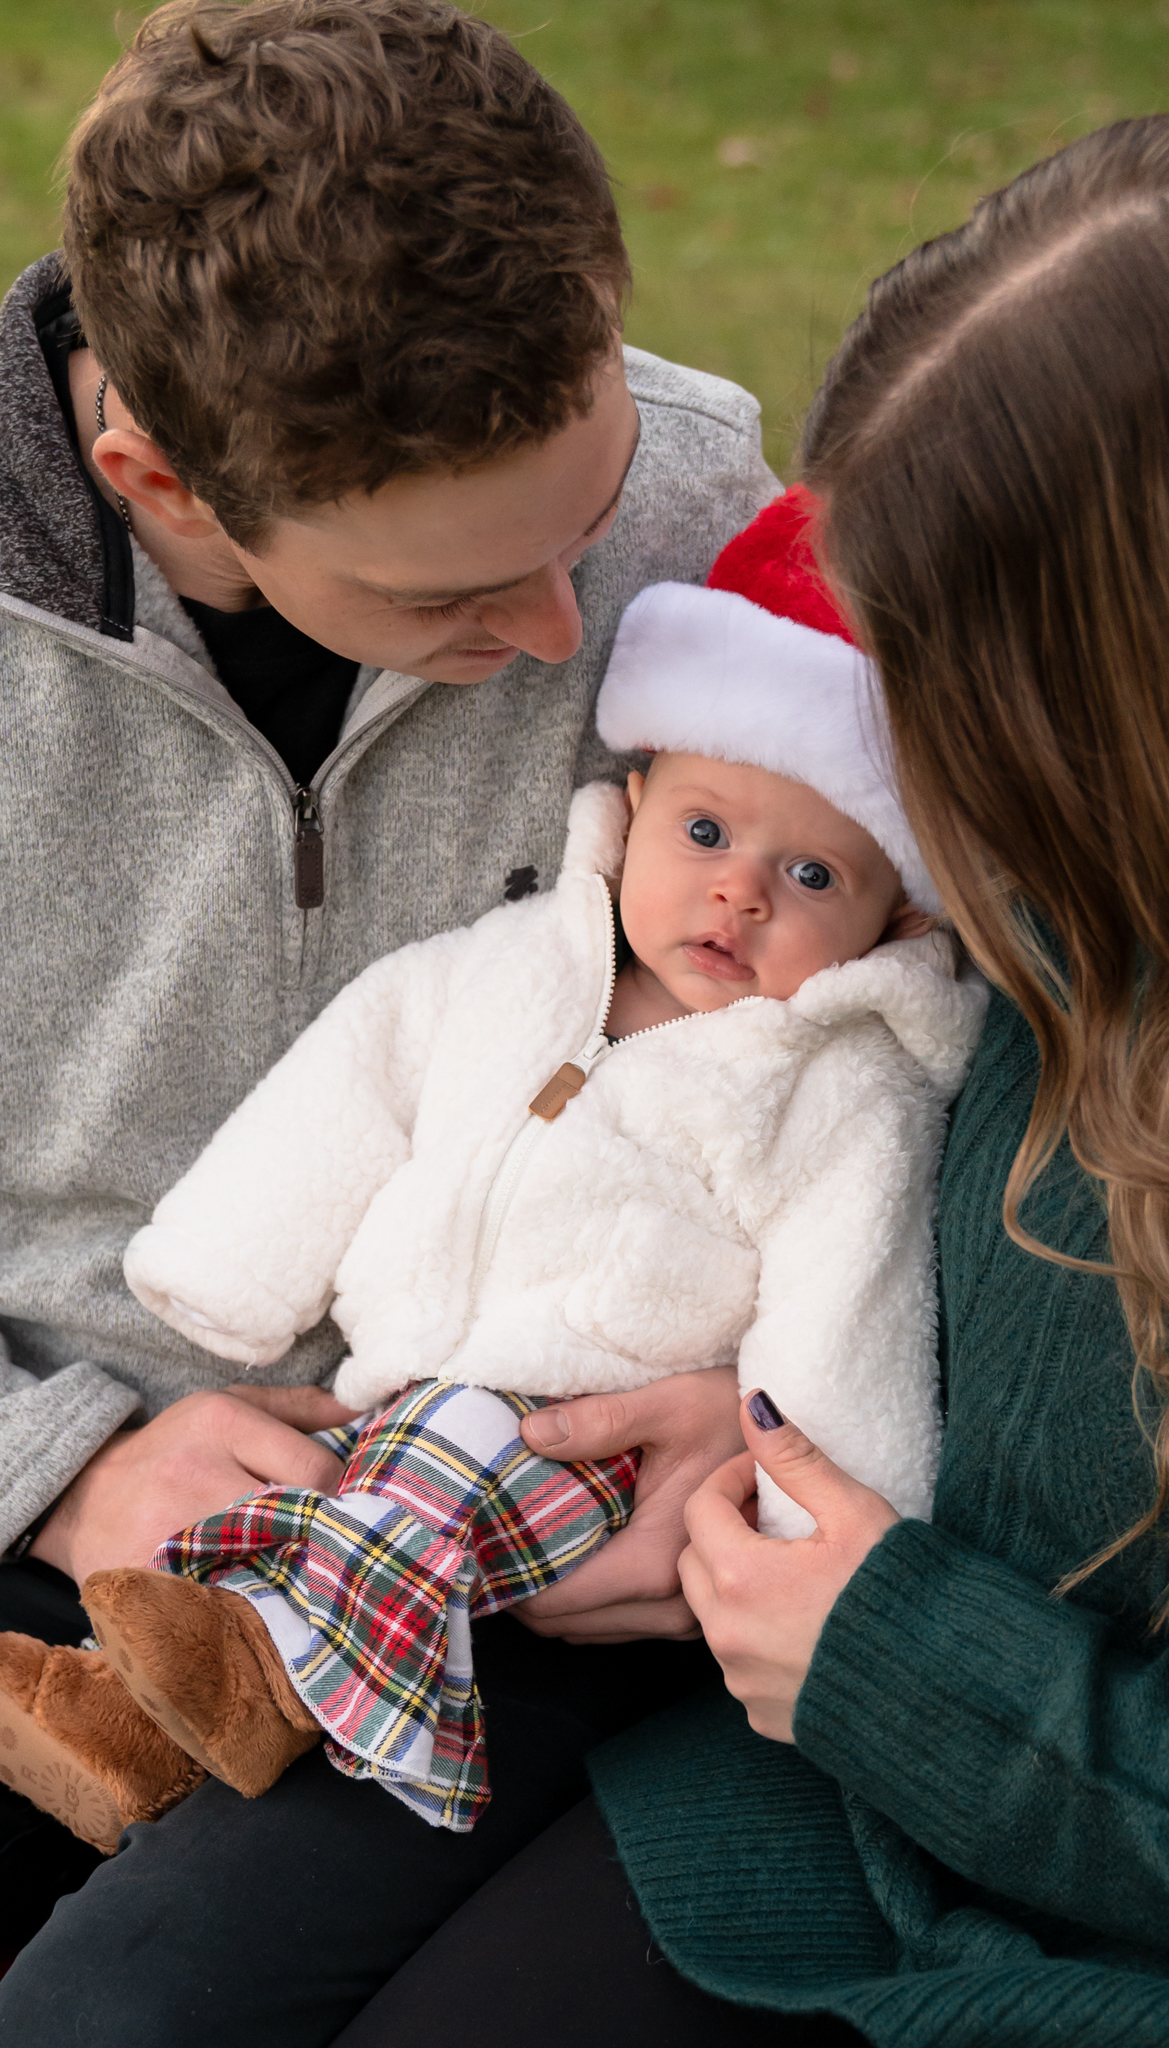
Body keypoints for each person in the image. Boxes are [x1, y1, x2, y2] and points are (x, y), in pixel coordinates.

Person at [325, 112, 1169, 2048]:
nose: (903, 764)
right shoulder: (1082, 881)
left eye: (953, 680)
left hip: (1167, 1943)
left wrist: (912, 1665)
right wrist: (766, 1417)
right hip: (857, 1812)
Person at [0, 0, 777, 2021]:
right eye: (450, 605)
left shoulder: (698, 513)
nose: (557, 639)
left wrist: (748, 1419)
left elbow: (860, 1032)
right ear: (153, 477)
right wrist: (63, 1461)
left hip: (528, 1534)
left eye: (582, 528)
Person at [0, 485, 985, 1853]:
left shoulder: (833, 1088)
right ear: (633, 805)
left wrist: (806, 1510)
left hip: (580, 1448)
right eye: (704, 834)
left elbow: (848, 1293)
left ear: (901, 914)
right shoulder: (515, 963)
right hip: (360, 1412)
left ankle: (162, 1694)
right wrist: (220, 1268)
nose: (739, 894)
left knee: (413, 1501)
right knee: (356, 1512)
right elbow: (361, 1074)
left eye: (812, 874)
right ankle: (139, 1711)